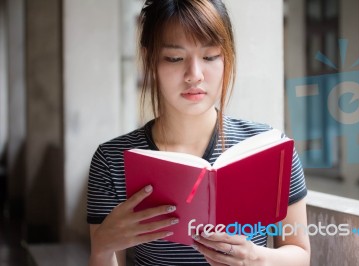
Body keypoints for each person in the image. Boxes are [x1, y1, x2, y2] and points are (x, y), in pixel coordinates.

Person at [87, 0, 310, 265]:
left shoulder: (270, 150)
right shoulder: (112, 161)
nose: (194, 75)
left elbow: (299, 254)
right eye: (175, 58)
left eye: (210, 56)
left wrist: (255, 259)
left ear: (227, 57)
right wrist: (101, 248)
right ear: (150, 60)